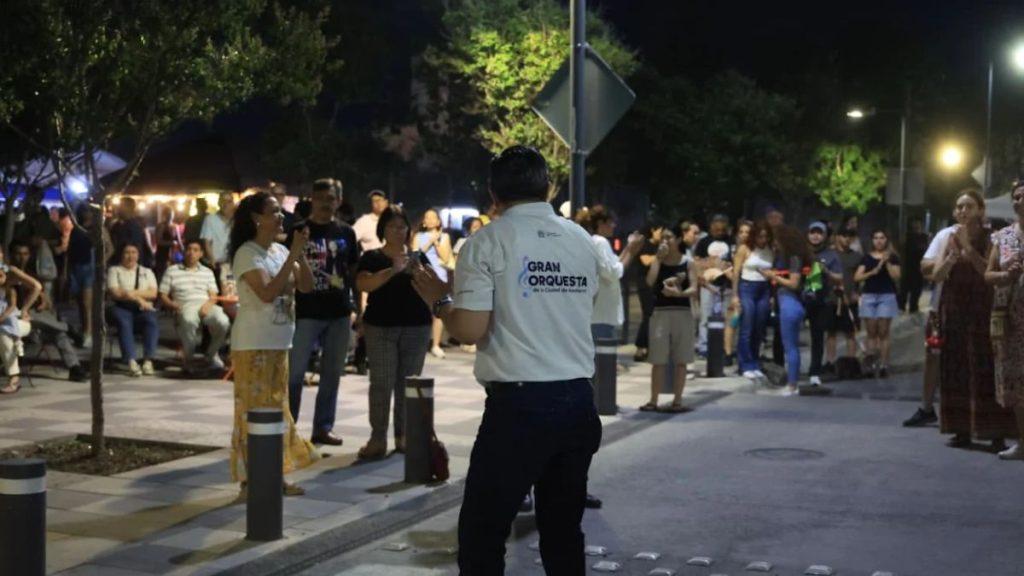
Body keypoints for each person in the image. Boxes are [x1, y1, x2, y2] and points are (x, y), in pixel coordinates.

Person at [410, 145, 608, 574]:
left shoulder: (487, 242)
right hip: (577, 400)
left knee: (483, 533)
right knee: (563, 532)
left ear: (492, 193)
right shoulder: (580, 240)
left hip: (519, 408)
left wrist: (438, 300)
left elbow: (469, 330)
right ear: (548, 188)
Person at [228, 190, 317, 496]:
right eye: (274, 212)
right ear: (256, 219)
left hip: (280, 342)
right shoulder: (247, 254)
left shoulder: (280, 251)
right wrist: (292, 254)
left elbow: (306, 287)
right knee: (254, 412)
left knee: (278, 409)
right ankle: (250, 481)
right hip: (253, 344)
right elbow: (267, 293)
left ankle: (274, 476)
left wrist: (299, 254)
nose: (281, 217)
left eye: (281, 212)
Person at [932, 189, 1017, 450]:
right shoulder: (950, 237)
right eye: (959, 207)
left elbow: (990, 273)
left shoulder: (993, 238)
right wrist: (949, 259)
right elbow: (936, 275)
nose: (963, 211)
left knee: (985, 367)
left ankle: (995, 432)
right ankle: (961, 429)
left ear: (981, 210)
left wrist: (969, 250)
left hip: (982, 308)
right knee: (955, 367)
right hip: (955, 308)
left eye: (968, 206)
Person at [354, 206, 432, 459]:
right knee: (382, 383)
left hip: (416, 327)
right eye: (392, 226)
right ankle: (378, 438)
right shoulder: (372, 257)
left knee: (408, 384)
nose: (398, 231)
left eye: (402, 226)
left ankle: (404, 436)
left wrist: (420, 273)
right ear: (382, 230)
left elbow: (433, 287)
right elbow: (363, 283)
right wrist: (392, 270)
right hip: (381, 327)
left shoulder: (419, 257)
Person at [287, 178, 358, 447]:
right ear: (312, 200)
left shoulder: (346, 233)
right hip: (306, 311)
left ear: (338, 201)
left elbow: (352, 273)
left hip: (339, 311)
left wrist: (358, 310)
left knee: (331, 373)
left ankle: (323, 427)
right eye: (320, 198)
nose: (325, 203)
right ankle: (289, 427)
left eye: (331, 198)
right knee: (295, 374)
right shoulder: (298, 231)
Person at [9, 242, 86, 382]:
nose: (22, 257)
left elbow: (44, 298)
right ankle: (68, 328)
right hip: (13, 317)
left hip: (35, 318)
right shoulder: (7, 275)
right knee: (35, 319)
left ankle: (75, 367)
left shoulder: (32, 274)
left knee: (58, 334)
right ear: (12, 255)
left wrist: (44, 302)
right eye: (18, 254)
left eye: (25, 254)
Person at [641, 224, 697, 412]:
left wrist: (679, 294)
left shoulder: (687, 262)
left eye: (669, 237)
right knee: (658, 358)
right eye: (663, 238)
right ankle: (653, 400)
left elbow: (694, 288)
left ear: (679, 240)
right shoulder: (658, 261)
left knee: (681, 358)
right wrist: (657, 258)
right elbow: (650, 281)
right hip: (660, 312)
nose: (665, 241)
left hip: (682, 312)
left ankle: (677, 401)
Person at [986, 181, 1024, 459]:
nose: (1019, 200)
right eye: (1016, 196)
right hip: (1010, 320)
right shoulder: (1003, 237)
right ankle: (1022, 443)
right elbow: (988, 275)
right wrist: (1004, 276)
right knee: (1015, 383)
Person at [158, 239, 230, 373]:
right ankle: (189, 358)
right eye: (189, 249)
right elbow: (162, 294)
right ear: (184, 252)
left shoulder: (207, 271)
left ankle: (210, 355)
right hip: (185, 304)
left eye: (195, 250)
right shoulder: (172, 270)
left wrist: (208, 304)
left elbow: (213, 294)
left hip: (205, 303)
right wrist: (172, 305)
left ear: (201, 254)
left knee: (223, 322)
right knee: (188, 320)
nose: (191, 253)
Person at [761, 226, 811, 395]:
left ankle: (792, 385)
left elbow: (794, 283)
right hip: (788, 303)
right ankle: (792, 383)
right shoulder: (789, 257)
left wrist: (773, 276)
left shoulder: (793, 258)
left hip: (790, 303)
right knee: (790, 346)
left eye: (776, 240)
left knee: (790, 347)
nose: (774, 244)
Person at [854, 229, 901, 376]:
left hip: (886, 295)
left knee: (883, 332)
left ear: (886, 240)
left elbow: (897, 276)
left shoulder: (893, 257)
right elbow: (857, 277)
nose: (879, 241)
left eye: (882, 238)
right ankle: (870, 363)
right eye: (876, 238)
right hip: (869, 296)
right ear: (872, 240)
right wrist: (871, 272)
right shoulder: (866, 258)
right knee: (871, 332)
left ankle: (884, 365)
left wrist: (886, 264)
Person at [107, 244, 159, 377]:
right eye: (127, 252)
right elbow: (115, 293)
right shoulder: (114, 270)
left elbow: (153, 293)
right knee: (124, 322)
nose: (131, 256)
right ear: (121, 254)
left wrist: (130, 294)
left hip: (142, 310)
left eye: (134, 252)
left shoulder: (147, 272)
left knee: (151, 320)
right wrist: (140, 299)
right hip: (121, 307)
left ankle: (148, 361)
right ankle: (131, 361)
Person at [732, 221, 774, 380]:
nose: (762, 239)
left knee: (759, 327)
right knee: (747, 326)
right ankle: (744, 364)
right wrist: (735, 295)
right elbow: (736, 273)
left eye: (765, 236)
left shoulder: (770, 250)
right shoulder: (744, 249)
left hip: (764, 289)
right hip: (747, 287)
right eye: (759, 236)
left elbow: (771, 271)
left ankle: (755, 362)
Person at [411, 208, 454, 359]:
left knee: (438, 311)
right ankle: (420, 343)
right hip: (423, 275)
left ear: (438, 221)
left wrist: (436, 241)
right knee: (422, 311)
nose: (429, 220)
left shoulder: (445, 236)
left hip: (439, 275)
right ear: (423, 221)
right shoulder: (418, 236)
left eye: (433, 217)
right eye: (426, 217)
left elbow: (446, 256)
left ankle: (436, 344)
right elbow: (416, 254)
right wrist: (429, 240)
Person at [804, 221, 843, 386]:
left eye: (819, 233)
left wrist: (826, 271)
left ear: (825, 236)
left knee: (818, 336)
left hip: (821, 300)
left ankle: (815, 371)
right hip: (800, 298)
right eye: (813, 232)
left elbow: (840, 277)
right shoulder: (801, 251)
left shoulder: (831, 255)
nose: (815, 236)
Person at [694, 214, 733, 358]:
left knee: (725, 318)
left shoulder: (731, 242)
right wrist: (702, 277)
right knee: (705, 317)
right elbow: (696, 262)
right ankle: (703, 346)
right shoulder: (704, 242)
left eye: (723, 230)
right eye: (717, 230)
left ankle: (723, 346)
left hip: (727, 285)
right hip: (708, 284)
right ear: (711, 228)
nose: (720, 232)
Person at [826, 228, 863, 369]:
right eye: (844, 235)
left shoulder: (856, 256)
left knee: (850, 332)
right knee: (831, 332)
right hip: (831, 298)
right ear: (837, 237)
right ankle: (830, 362)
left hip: (849, 299)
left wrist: (857, 293)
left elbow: (860, 278)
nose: (847, 239)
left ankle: (851, 362)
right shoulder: (830, 254)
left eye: (850, 236)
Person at [633, 223, 664, 362]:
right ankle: (640, 347)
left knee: (653, 315)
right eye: (660, 231)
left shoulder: (659, 247)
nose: (662, 235)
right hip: (645, 284)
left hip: (657, 285)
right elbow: (645, 261)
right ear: (653, 230)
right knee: (648, 314)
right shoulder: (645, 245)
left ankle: (649, 347)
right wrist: (659, 255)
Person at [725, 221, 752, 365]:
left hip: (751, 287)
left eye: (747, 232)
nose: (744, 235)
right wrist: (735, 294)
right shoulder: (741, 249)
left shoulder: (754, 248)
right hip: (740, 287)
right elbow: (736, 271)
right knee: (733, 320)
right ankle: (727, 352)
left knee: (746, 322)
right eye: (741, 232)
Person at [109, 197, 153, 268]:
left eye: (120, 206)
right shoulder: (118, 226)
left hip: (129, 266)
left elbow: (132, 247)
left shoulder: (134, 226)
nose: (117, 209)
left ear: (127, 208)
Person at [201, 191, 236, 280]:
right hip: (216, 264)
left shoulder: (236, 220)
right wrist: (212, 261)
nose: (225, 204)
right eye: (223, 201)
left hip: (231, 264)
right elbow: (207, 242)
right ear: (219, 203)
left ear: (232, 203)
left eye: (229, 201)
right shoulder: (210, 219)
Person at [900, 218, 929, 313]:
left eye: (918, 224)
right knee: (904, 289)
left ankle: (913, 306)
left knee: (917, 289)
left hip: (919, 267)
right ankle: (902, 306)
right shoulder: (908, 236)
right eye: (914, 224)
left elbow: (925, 250)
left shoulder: (924, 237)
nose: (916, 226)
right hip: (908, 266)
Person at [153, 204, 179, 280]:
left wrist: (183, 250)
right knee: (161, 275)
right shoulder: (161, 226)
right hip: (162, 254)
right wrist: (171, 243)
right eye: (168, 214)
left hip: (173, 254)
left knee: (173, 275)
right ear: (164, 215)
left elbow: (179, 241)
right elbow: (158, 241)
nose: (170, 215)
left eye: (171, 213)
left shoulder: (175, 226)